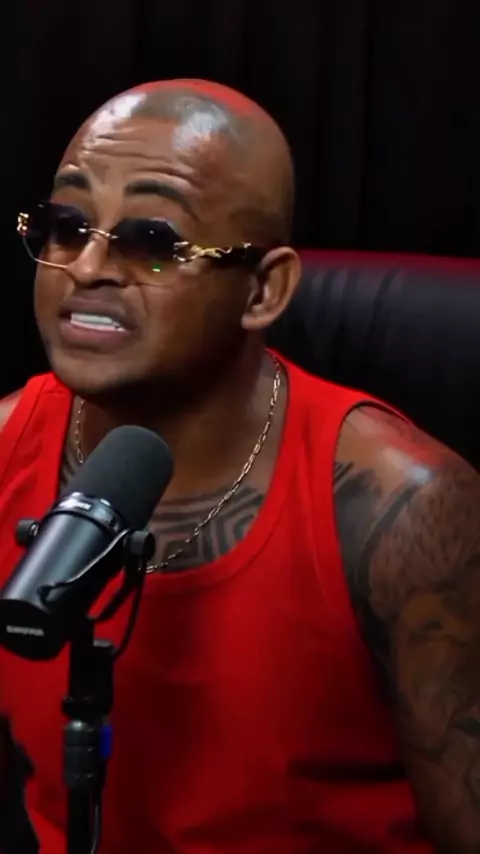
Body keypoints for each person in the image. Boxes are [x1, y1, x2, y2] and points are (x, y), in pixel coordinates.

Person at [0, 78, 479, 854]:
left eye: (152, 242)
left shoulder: (402, 511)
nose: (86, 267)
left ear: (263, 289)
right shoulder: (7, 446)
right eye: (67, 226)